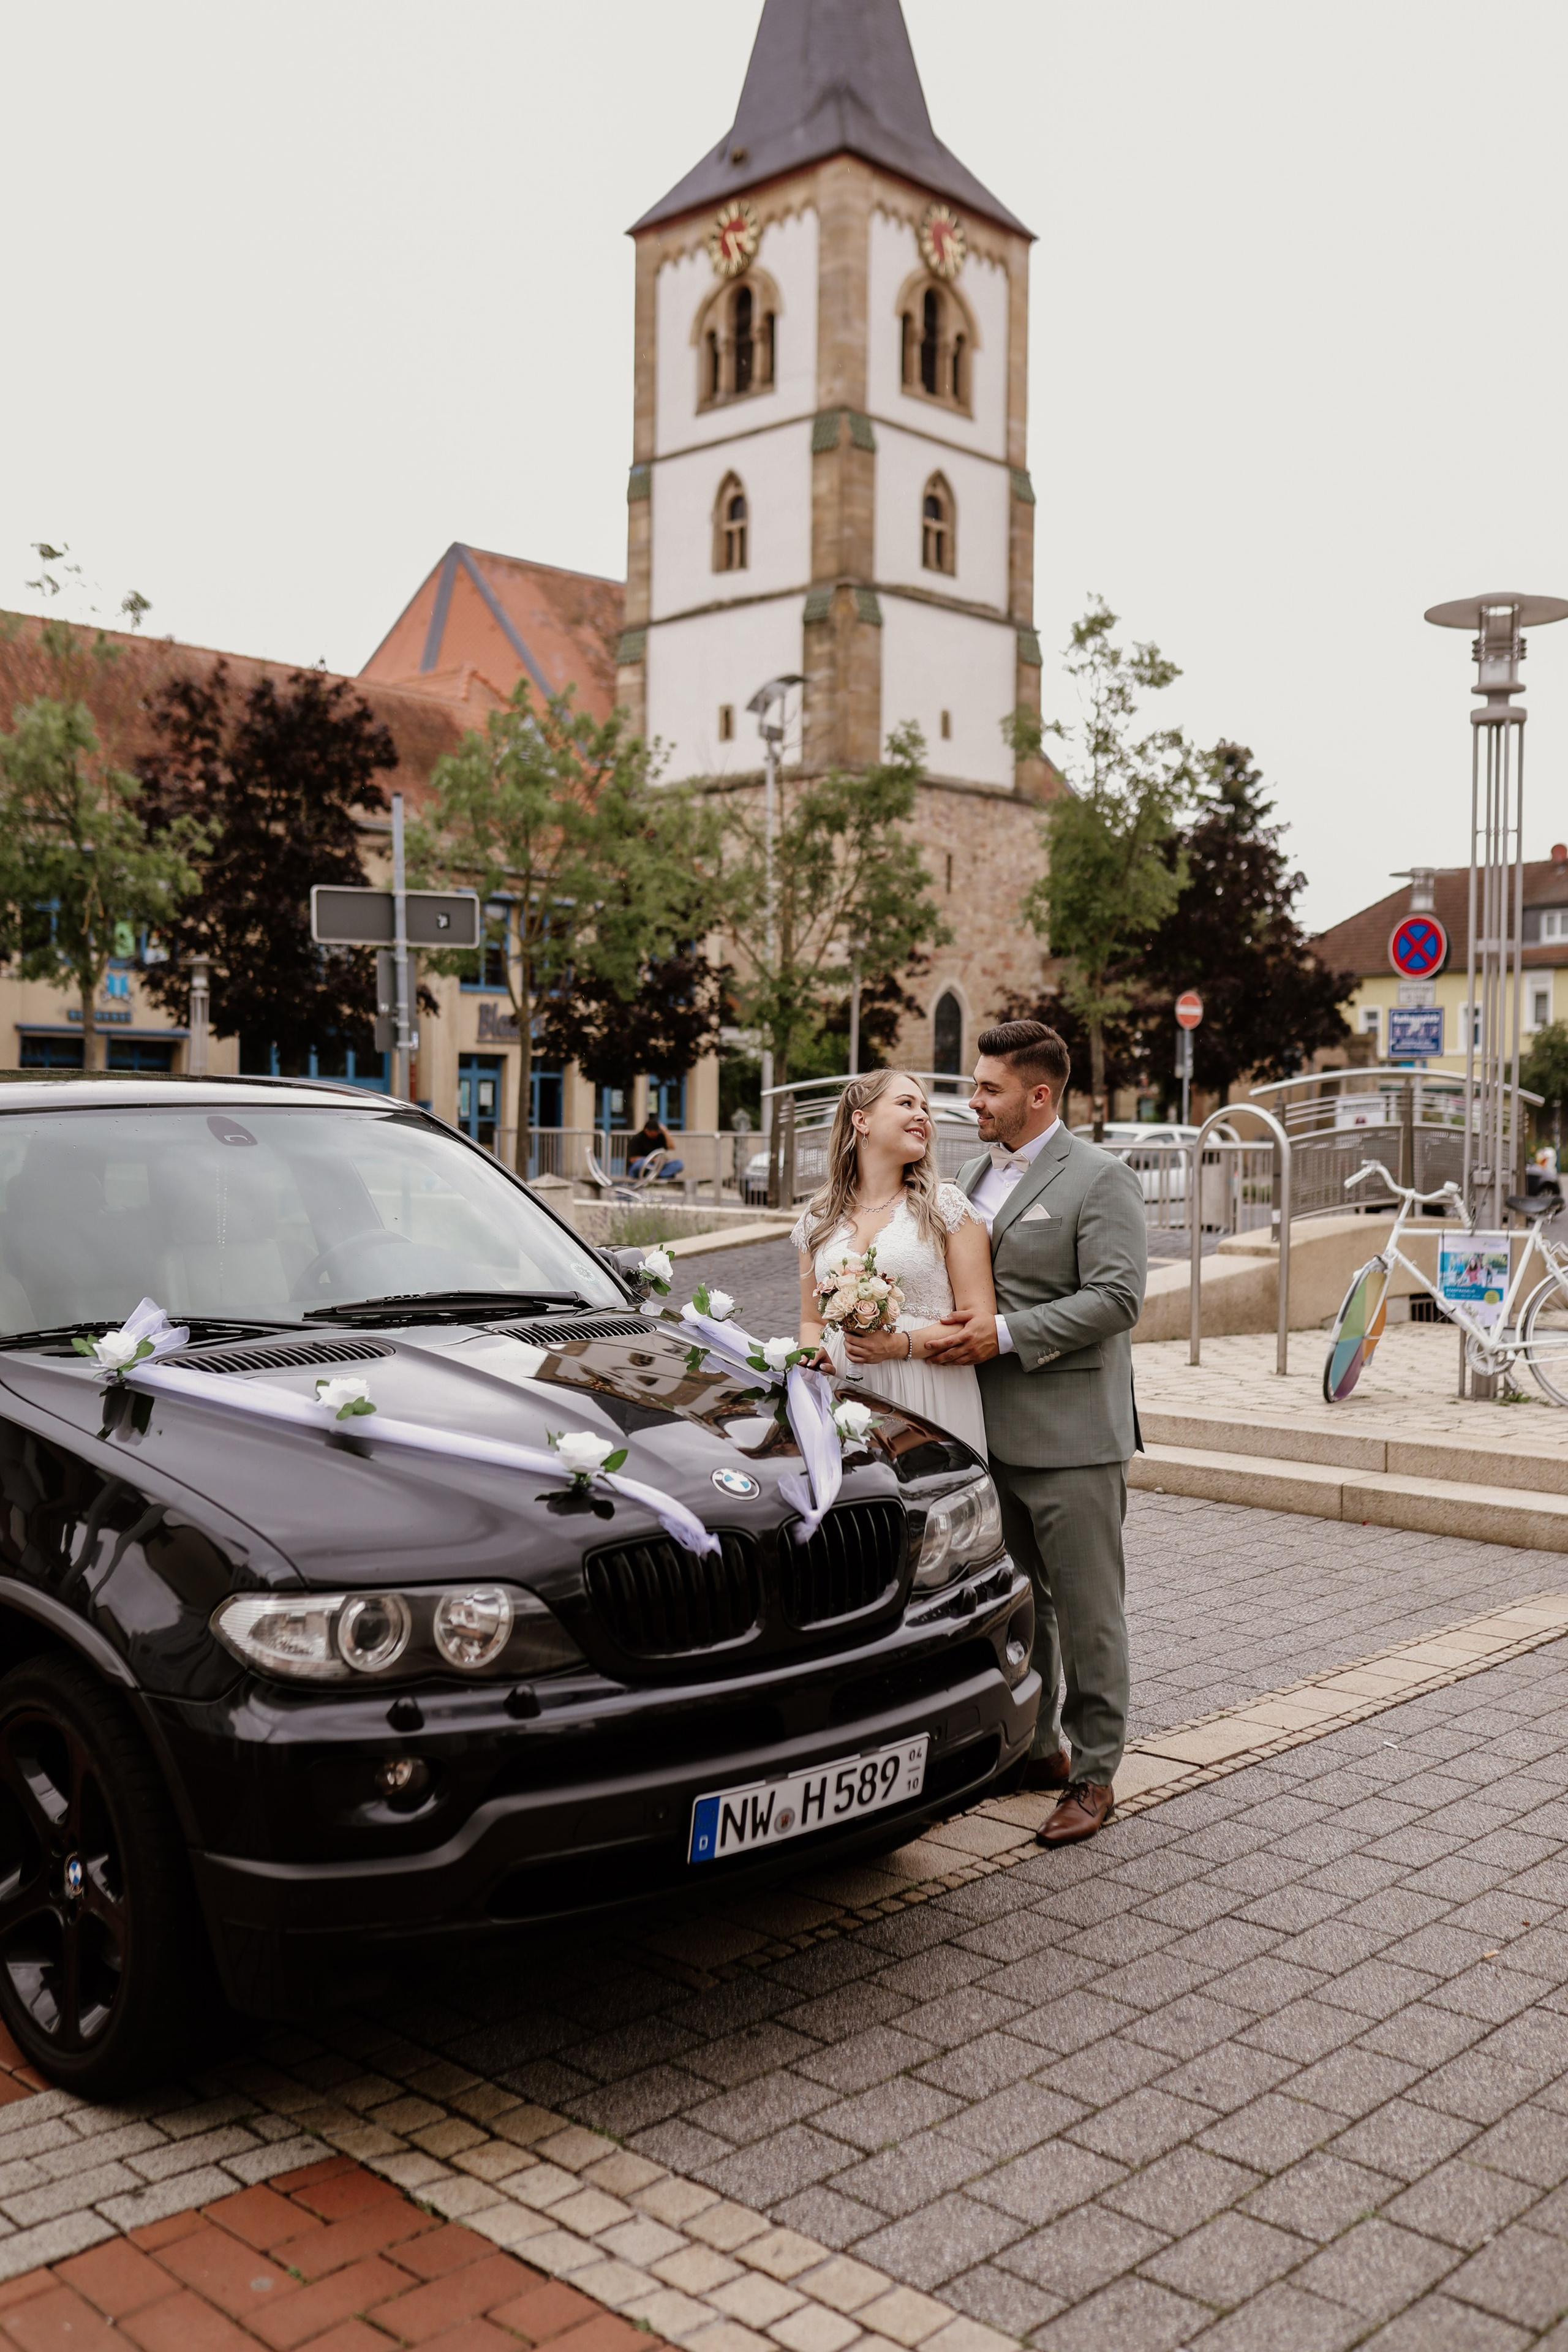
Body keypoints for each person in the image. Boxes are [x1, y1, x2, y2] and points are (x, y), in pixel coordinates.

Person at [925, 1021, 1147, 1847]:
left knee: (1089, 1614)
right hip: (989, 1433)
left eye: (988, 1089)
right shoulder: (976, 1177)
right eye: (974, 1086)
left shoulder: (1101, 1179)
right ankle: (1043, 1750)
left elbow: (1119, 1299)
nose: (972, 1101)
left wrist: (1005, 1334)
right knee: (1029, 1609)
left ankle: (1095, 1775)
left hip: (1074, 1434)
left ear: (1039, 1095)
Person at [792, 1069, 994, 1455]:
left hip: (928, 1389)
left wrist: (899, 1345)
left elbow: (978, 1323)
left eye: (926, 1109)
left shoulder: (945, 1207)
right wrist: (810, 1356)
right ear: (861, 1119)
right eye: (906, 1104)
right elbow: (811, 1320)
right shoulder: (817, 1218)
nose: (923, 1116)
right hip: (843, 1391)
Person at [628, 1112, 684, 1180]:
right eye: (653, 1133)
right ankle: (659, 1175)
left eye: (657, 1133)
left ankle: (658, 1175)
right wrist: (652, 1160)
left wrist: (665, 1131)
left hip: (657, 1167)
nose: (655, 1135)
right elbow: (632, 1159)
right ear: (647, 1131)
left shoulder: (658, 1137)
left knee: (679, 1164)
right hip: (642, 1166)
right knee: (641, 1163)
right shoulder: (637, 1139)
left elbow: (672, 1146)